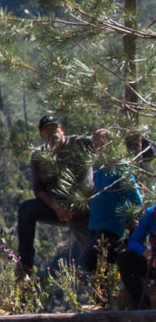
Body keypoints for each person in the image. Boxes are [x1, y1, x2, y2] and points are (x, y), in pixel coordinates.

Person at [16, 114, 94, 276]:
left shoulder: (81, 143)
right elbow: (38, 190)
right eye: (47, 130)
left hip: (85, 209)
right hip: (57, 210)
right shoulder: (38, 157)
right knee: (26, 209)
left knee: (96, 254)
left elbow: (105, 144)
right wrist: (56, 207)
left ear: (62, 130)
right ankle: (25, 267)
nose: (52, 133)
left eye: (55, 128)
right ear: (41, 134)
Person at [86, 129, 143, 273]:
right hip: (94, 225)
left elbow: (136, 199)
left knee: (89, 262)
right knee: (99, 270)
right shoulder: (94, 168)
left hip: (111, 227)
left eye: (101, 144)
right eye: (95, 144)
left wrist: (127, 219)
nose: (97, 148)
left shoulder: (120, 167)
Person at [118, 205, 156, 309]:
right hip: (152, 262)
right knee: (125, 256)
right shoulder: (151, 213)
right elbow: (133, 242)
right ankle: (141, 304)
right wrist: (146, 253)